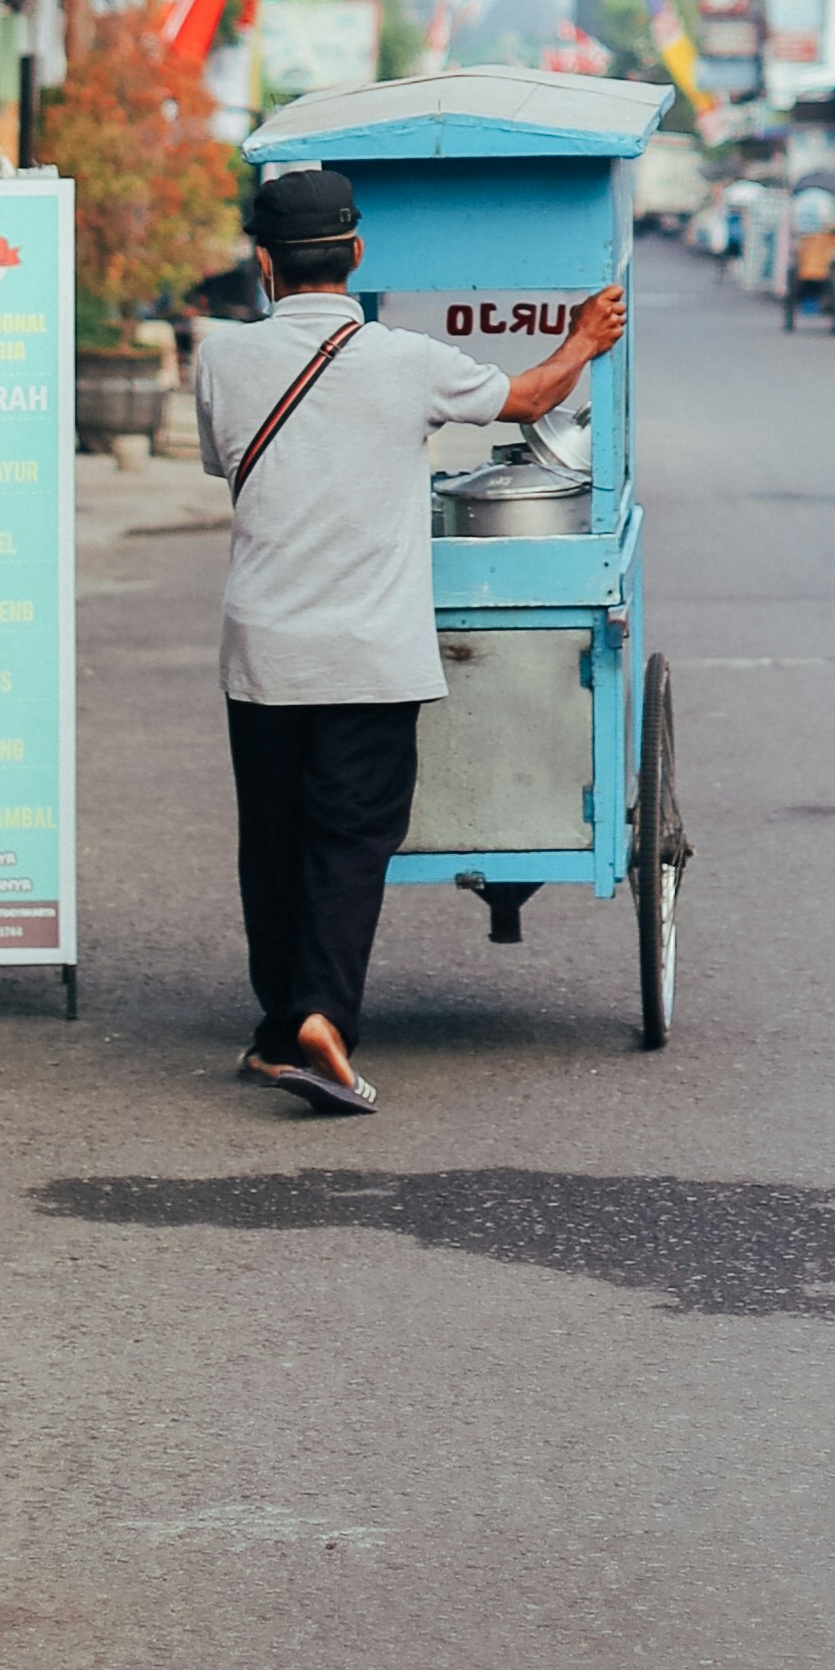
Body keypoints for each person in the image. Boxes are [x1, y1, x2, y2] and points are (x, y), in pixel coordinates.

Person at [193, 164, 626, 1114]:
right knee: (350, 839)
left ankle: (278, 1032)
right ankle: (322, 1022)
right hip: (369, 655)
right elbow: (529, 397)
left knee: (272, 842)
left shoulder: (221, 359)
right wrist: (582, 339)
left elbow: (223, 460)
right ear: (354, 256)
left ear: (265, 265)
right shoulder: (408, 360)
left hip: (263, 648)